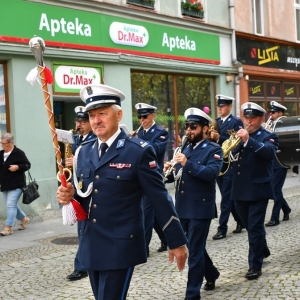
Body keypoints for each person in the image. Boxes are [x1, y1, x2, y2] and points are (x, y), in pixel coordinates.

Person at [56, 84, 188, 300]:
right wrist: (69, 196)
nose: (96, 120)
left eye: (102, 113)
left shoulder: (138, 151)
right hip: (91, 244)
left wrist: (176, 241)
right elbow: (85, 195)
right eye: (91, 115)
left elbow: (160, 198)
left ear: (118, 114)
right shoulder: (84, 152)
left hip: (120, 245)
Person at [164, 108, 223, 300]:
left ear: (205, 129)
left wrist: (187, 164)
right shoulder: (185, 149)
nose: (188, 130)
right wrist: (170, 171)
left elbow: (210, 174)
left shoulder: (214, 149)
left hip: (200, 208)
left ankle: (192, 294)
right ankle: (212, 273)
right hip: (183, 207)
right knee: (195, 246)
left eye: (193, 127)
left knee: (195, 252)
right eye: (187, 127)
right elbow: (179, 176)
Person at [231, 102, 278, 280]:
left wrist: (248, 141)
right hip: (239, 188)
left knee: (255, 228)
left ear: (260, 119)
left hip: (259, 190)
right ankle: (263, 249)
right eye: (246, 118)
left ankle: (254, 266)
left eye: (253, 118)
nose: (248, 121)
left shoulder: (268, 136)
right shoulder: (237, 136)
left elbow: (268, 153)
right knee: (250, 226)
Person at [132, 103, 169, 255]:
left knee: (146, 213)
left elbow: (154, 150)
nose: (142, 120)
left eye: (145, 116)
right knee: (150, 214)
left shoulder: (161, 132)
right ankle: (166, 238)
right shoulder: (139, 133)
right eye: (139, 117)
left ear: (153, 115)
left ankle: (143, 248)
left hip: (153, 177)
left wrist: (135, 142)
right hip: (138, 176)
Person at [65, 106, 96, 281]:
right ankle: (86, 262)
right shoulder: (77, 139)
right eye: (78, 121)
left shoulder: (94, 139)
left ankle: (82, 266)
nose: (79, 125)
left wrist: (75, 159)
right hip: (78, 188)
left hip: (89, 190)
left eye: (83, 122)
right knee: (82, 231)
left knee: (85, 231)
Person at [210, 95, 244, 240]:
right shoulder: (215, 122)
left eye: (222, 106)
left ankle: (222, 228)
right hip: (218, 164)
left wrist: (219, 138)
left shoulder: (236, 122)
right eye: (218, 106)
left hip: (230, 164)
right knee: (227, 197)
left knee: (226, 198)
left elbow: (238, 142)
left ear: (229, 106)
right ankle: (241, 220)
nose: (220, 108)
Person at [265, 101, 291, 226]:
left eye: (274, 112)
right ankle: (286, 209)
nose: (271, 114)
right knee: (274, 189)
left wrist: (271, 132)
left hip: (281, 161)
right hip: (271, 161)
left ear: (280, 113)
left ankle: (275, 218)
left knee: (276, 189)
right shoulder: (271, 124)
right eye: (271, 112)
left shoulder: (283, 125)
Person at [0, 133, 31, 236]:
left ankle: (8, 227)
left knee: (10, 204)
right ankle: (24, 218)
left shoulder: (18, 153)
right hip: (5, 184)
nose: (2, 145)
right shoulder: (0, 154)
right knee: (11, 205)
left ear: (11, 142)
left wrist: (17, 167)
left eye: (4, 143)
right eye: (1, 143)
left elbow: (27, 165)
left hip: (17, 184)